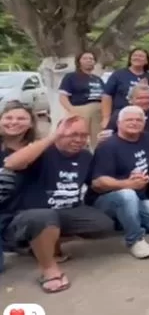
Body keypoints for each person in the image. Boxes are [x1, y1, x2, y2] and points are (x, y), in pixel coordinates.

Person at [2, 116, 114, 293]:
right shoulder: (42, 151)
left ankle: (46, 244)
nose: (78, 139)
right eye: (72, 134)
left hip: (66, 211)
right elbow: (11, 163)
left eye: (83, 135)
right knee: (45, 217)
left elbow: (94, 183)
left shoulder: (85, 156)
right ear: (59, 133)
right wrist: (53, 136)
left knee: (103, 224)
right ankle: (49, 269)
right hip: (30, 215)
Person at [88, 106, 149, 259]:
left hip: (137, 196)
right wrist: (128, 184)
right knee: (127, 194)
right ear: (118, 123)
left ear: (144, 123)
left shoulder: (146, 138)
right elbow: (97, 182)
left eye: (138, 120)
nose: (134, 123)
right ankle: (135, 239)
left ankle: (123, 220)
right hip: (104, 199)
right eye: (129, 120)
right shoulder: (108, 146)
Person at [0, 102, 38, 272]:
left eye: (21, 118)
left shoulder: (37, 149)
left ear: (31, 123)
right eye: (8, 117)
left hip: (21, 213)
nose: (13, 122)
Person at [58, 51, 105, 148]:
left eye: (91, 59)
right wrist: (72, 110)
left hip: (98, 111)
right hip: (81, 109)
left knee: (98, 140)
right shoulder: (71, 77)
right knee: (79, 138)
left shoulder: (97, 79)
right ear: (79, 62)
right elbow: (63, 96)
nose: (89, 61)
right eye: (85, 58)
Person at [101, 48, 149, 123]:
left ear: (146, 61)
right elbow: (107, 95)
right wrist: (106, 117)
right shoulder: (118, 74)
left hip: (143, 116)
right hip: (121, 115)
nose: (137, 58)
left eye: (141, 56)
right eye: (135, 55)